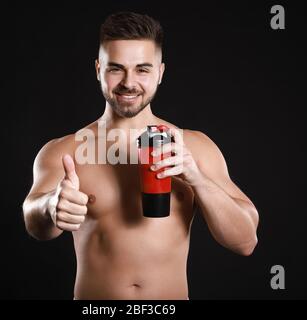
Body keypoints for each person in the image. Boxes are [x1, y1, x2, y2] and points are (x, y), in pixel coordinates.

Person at [22, 12, 259, 300]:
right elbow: (34, 222)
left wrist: (198, 180)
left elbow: (246, 241)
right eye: (116, 69)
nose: (128, 82)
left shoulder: (194, 146)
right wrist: (51, 205)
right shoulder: (66, 150)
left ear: (160, 72)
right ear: (99, 69)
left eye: (142, 69)